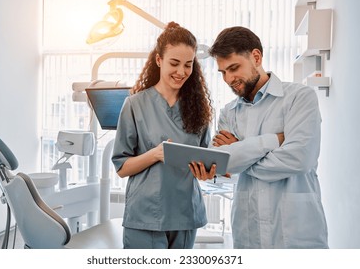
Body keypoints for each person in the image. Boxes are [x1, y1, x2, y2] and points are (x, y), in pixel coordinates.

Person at [189, 26, 329, 249]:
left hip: (295, 232)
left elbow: (299, 160)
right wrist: (272, 141)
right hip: (248, 232)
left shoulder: (299, 98)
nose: (228, 79)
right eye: (223, 72)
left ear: (256, 57)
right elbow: (227, 168)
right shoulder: (229, 112)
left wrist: (240, 154)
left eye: (234, 68)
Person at [111, 22, 213, 249]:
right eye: (174, 63)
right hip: (146, 215)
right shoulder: (135, 104)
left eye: (188, 65)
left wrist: (206, 172)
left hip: (185, 214)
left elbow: (205, 159)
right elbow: (121, 167)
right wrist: (156, 154)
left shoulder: (199, 109)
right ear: (159, 60)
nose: (182, 72)